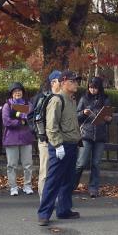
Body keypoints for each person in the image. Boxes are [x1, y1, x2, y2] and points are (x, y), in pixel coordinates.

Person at [37, 70, 81, 225]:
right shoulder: (57, 100)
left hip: (72, 145)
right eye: (73, 81)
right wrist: (57, 145)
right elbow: (51, 126)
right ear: (63, 82)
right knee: (53, 180)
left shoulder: (72, 100)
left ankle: (63, 210)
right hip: (60, 146)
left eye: (76, 81)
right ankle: (44, 214)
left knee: (68, 180)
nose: (76, 83)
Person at [74, 76, 112, 198]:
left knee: (96, 163)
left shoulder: (105, 99)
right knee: (81, 162)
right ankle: (72, 185)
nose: (92, 90)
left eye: (95, 88)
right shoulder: (84, 98)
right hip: (86, 133)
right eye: (90, 87)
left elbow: (109, 117)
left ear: (99, 88)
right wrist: (83, 113)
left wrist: (108, 118)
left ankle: (93, 188)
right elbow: (76, 115)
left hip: (100, 134)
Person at [32, 70, 62, 196]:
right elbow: (32, 116)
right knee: (45, 171)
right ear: (53, 82)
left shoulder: (64, 97)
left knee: (58, 171)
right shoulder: (42, 97)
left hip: (60, 140)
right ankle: (44, 200)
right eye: (61, 81)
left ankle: (54, 198)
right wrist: (39, 133)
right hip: (45, 140)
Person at [2, 82, 34, 196]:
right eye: (15, 91)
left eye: (19, 91)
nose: (17, 93)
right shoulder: (7, 105)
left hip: (26, 138)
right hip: (11, 139)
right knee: (12, 165)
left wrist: (18, 117)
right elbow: (6, 121)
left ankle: (27, 185)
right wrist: (20, 121)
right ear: (11, 94)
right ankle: (13, 187)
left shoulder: (28, 104)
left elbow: (30, 116)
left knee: (28, 164)